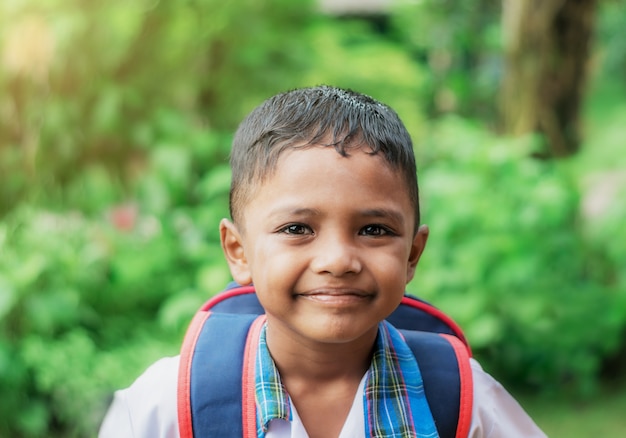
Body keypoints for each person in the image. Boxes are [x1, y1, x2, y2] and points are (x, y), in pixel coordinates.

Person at [99, 85, 546, 437]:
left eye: (374, 230)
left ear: (412, 254)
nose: (337, 260)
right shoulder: (167, 406)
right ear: (239, 251)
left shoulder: (460, 396)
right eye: (297, 229)